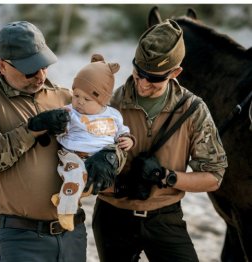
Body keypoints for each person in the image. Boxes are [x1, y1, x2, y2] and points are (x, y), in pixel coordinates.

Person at [0, 20, 96, 262]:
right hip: (22, 239)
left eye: (43, 65)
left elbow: (107, 135)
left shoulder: (66, 97)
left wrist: (108, 158)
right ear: (2, 65)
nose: (40, 75)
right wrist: (31, 130)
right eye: (30, 70)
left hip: (73, 233)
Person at [92, 19, 228, 262]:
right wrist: (113, 181)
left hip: (165, 219)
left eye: (153, 78)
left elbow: (214, 177)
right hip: (112, 218)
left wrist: (167, 177)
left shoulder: (193, 110)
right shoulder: (110, 104)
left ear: (175, 73)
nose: (143, 84)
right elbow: (83, 166)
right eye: (139, 72)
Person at [52, 54, 135, 230]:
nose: (80, 102)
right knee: (75, 177)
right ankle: (66, 212)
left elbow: (123, 131)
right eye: (76, 95)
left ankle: (64, 197)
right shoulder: (70, 112)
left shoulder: (113, 115)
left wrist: (127, 139)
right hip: (72, 155)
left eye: (87, 99)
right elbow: (56, 125)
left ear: (102, 99)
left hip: (98, 158)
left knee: (89, 183)